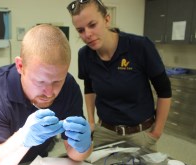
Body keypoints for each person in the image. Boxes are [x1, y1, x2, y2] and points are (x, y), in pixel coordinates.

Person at [0, 24, 93, 165]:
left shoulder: (69, 87)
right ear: (20, 66)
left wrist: (84, 146)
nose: (49, 93)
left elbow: (74, 153)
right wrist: (23, 138)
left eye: (57, 81)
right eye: (40, 82)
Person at [66, 0, 172, 151]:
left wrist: (156, 132)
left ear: (107, 19)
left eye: (92, 25)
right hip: (105, 132)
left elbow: (165, 91)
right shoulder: (84, 55)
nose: (87, 34)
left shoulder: (140, 46)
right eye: (81, 30)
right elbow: (89, 88)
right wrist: (91, 121)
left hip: (140, 134)